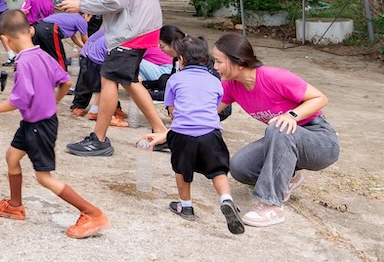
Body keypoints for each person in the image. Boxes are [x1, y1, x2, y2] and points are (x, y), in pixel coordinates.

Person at [0, 10, 110, 239]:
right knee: (12, 157)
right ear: (30, 31)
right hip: (34, 122)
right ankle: (15, 205)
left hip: (39, 125)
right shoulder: (43, 54)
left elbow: (20, 99)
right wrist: (55, 100)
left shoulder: (23, 63)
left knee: (44, 178)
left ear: (7, 40)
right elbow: (66, 81)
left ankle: (92, 213)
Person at [60, 0, 166, 157]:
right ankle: (161, 131)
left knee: (109, 77)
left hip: (134, 28)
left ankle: (99, 139)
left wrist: (81, 4)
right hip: (135, 27)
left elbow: (117, 1)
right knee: (126, 79)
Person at [213, 33, 340, 227]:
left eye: (219, 61)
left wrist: (292, 116)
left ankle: (271, 205)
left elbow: (320, 98)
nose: (215, 67)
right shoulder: (231, 86)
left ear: (238, 62)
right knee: (240, 167)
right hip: (282, 138)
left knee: (278, 127)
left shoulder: (274, 77)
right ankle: (291, 176)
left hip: (320, 140)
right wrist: (170, 133)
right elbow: (208, 114)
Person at [139, 35, 245, 234]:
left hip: (182, 134)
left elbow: (171, 108)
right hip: (211, 134)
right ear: (206, 60)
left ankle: (185, 205)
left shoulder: (175, 78)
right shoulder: (215, 81)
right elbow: (215, 106)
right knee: (218, 170)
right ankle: (226, 199)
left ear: (180, 60)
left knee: (182, 170)